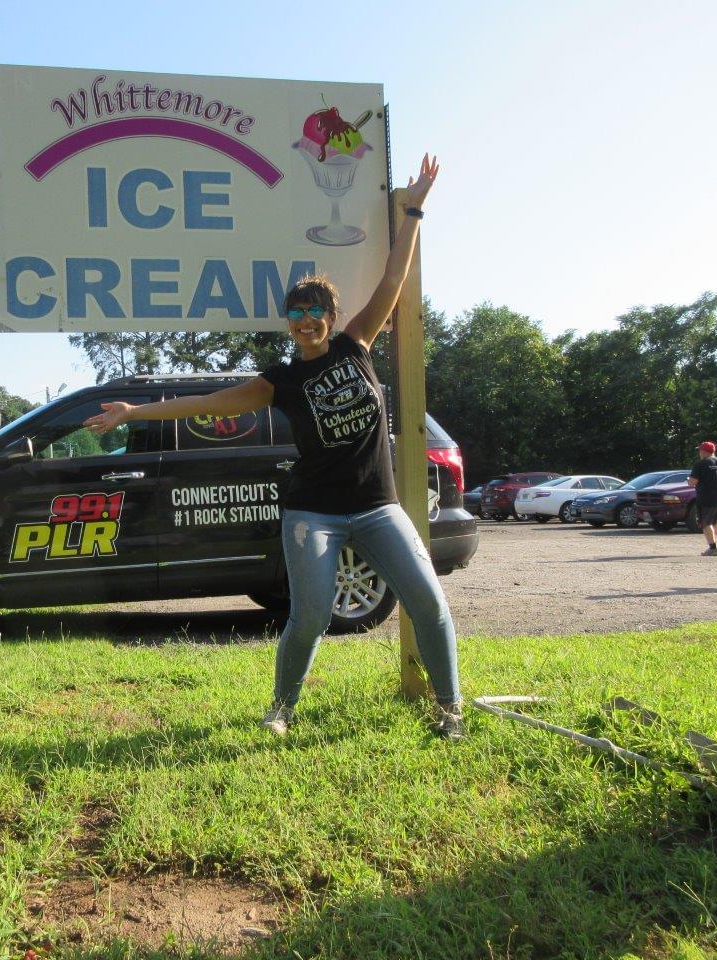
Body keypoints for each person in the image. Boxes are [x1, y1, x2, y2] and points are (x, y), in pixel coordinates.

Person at [85, 154, 465, 740]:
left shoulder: (355, 347)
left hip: (378, 506)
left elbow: (393, 277)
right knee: (310, 615)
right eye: (296, 311)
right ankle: (282, 708)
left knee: (428, 602)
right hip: (312, 512)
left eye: (316, 310)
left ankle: (449, 710)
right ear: (287, 322)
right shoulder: (279, 380)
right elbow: (209, 404)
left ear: (333, 317)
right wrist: (135, 411)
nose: (306, 318)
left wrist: (413, 207)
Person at [687, 441, 717, 556]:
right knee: (716, 520)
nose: (699, 453)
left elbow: (693, 482)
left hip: (706, 497)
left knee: (706, 523)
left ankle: (712, 548)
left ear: (704, 452)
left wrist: (689, 481)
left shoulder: (700, 464)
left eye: (700, 450)